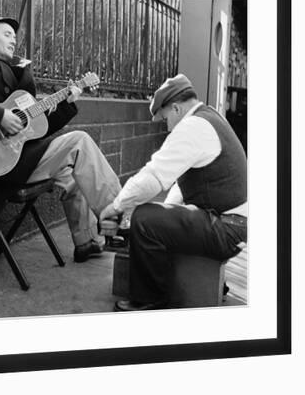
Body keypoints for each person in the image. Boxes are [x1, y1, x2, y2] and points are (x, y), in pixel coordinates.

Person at [0, 13, 121, 262]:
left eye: (15, 35)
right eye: (7, 34)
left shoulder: (19, 74)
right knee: (79, 142)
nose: (14, 39)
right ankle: (121, 221)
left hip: (23, 157)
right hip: (0, 165)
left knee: (73, 170)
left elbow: (38, 128)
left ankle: (86, 241)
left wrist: (67, 102)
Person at [100, 73, 247, 311]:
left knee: (144, 219)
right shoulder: (208, 117)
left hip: (226, 229)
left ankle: (149, 299)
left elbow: (153, 176)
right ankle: (205, 282)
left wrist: (116, 206)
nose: (165, 126)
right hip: (232, 224)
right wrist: (165, 214)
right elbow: (181, 183)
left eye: (164, 118)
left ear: (176, 108)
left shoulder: (192, 127)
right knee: (155, 217)